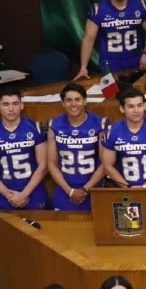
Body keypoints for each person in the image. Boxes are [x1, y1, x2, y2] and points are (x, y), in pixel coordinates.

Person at [0, 90, 48, 211]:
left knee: (42, 228)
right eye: (6, 104)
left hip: (34, 191)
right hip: (4, 193)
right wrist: (9, 195)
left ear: (21, 105)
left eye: (15, 104)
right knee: (7, 229)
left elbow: (44, 166)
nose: (11, 109)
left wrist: (24, 194)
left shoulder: (35, 128)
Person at [75, 0, 146, 80]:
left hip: (135, 61)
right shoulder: (98, 9)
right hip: (109, 63)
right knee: (110, 95)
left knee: (136, 94)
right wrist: (83, 67)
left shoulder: (140, 6)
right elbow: (89, 39)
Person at [46, 83, 106, 211]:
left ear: (84, 101)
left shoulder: (99, 124)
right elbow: (51, 164)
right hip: (64, 189)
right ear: (63, 103)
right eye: (68, 100)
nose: (73, 104)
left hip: (93, 188)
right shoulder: (54, 125)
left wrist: (85, 189)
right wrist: (70, 191)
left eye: (77, 99)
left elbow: (105, 163)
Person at [100, 86, 146, 188]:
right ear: (122, 109)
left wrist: (145, 187)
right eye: (131, 106)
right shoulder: (112, 131)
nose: (136, 110)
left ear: (145, 106)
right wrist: (128, 188)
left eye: (139, 105)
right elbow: (107, 166)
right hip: (124, 189)